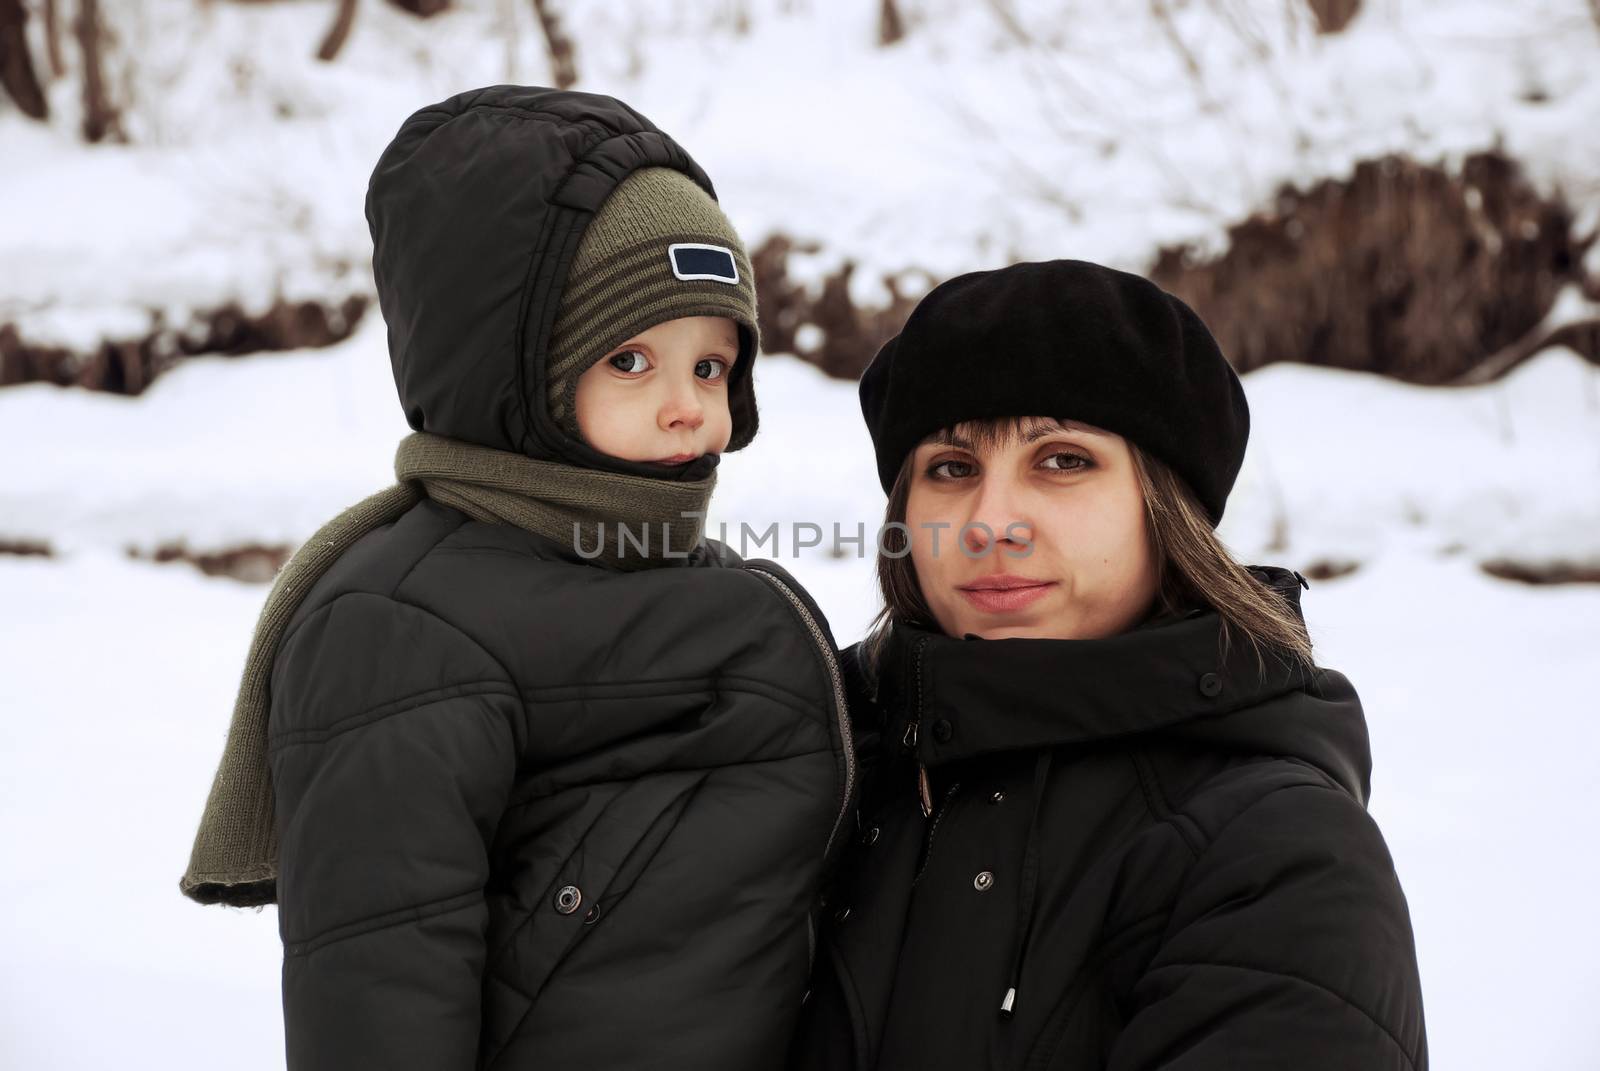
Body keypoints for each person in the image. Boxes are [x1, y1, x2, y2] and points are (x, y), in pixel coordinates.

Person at [178, 85, 855, 1070]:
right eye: (631, 360)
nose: (685, 408)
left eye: (710, 367)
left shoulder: (664, 566)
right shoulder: (404, 624)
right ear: (512, 370)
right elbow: (379, 987)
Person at [791, 260, 1428, 1070]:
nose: (990, 522)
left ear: (1167, 510)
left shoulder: (1279, 853)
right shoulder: (813, 770)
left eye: (1062, 460)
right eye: (951, 469)